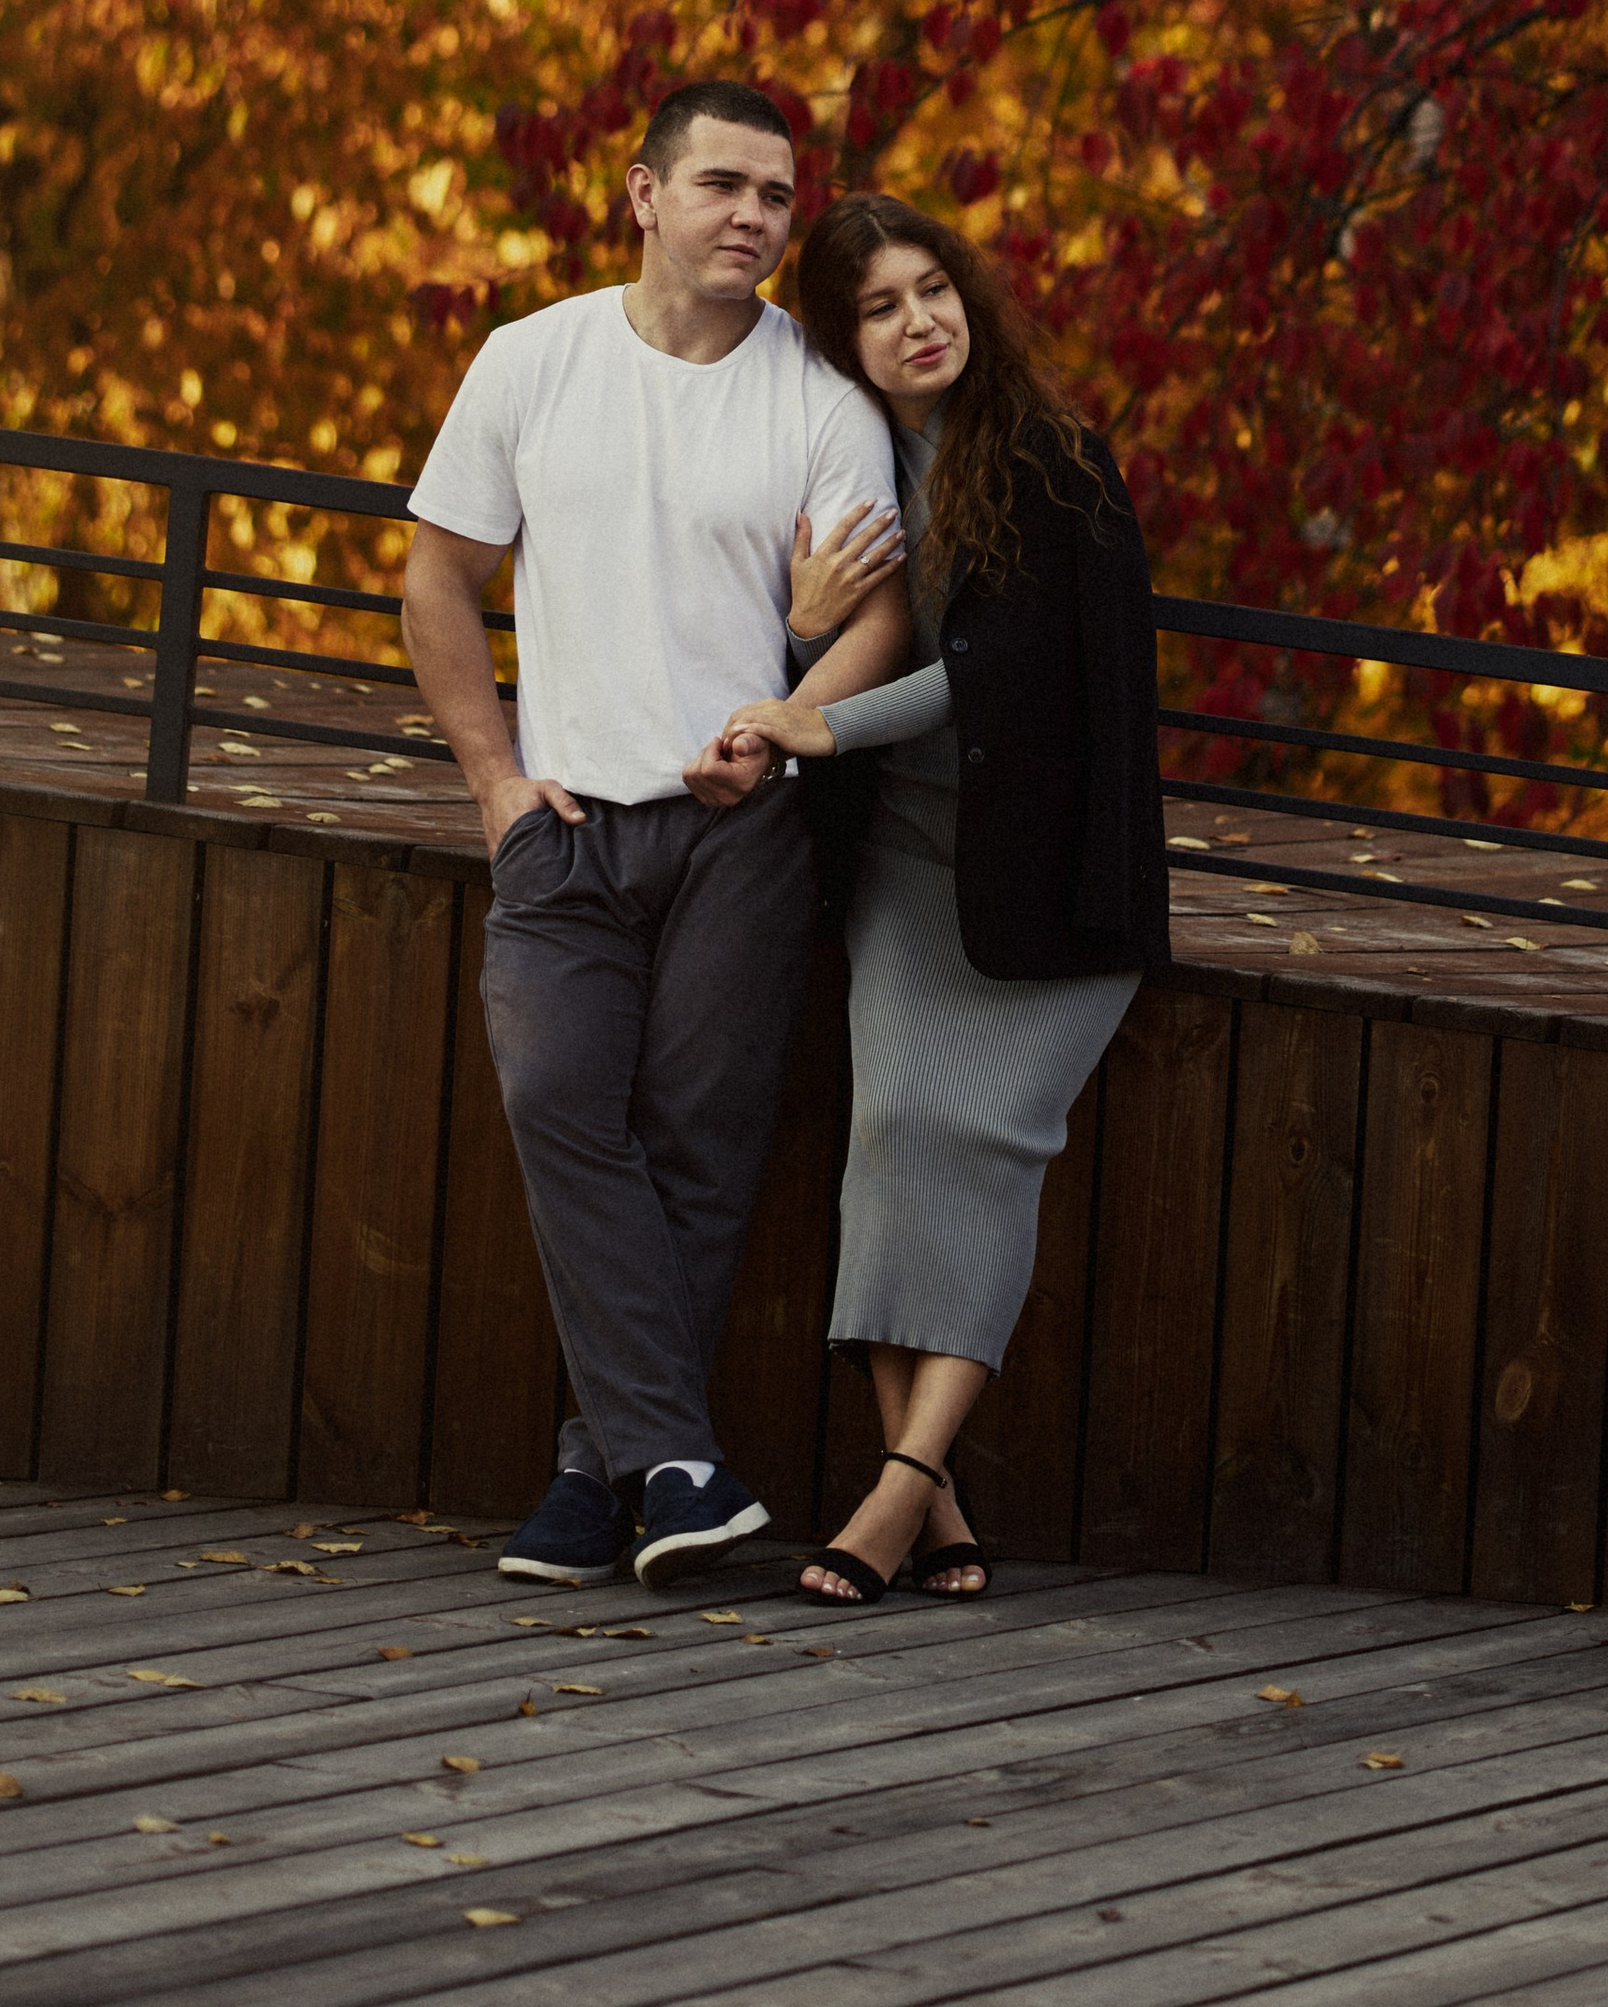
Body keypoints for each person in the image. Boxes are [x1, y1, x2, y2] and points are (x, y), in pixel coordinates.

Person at [400, 82, 909, 1590]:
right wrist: (493, 780)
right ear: (643, 192)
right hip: (560, 822)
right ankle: (671, 1462)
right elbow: (439, 581)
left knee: (698, 1149)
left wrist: (781, 711)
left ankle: (597, 1480)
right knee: (558, 1093)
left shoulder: (821, 397)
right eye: (724, 184)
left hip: (744, 829)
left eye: (776, 193)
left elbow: (876, 615)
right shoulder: (531, 360)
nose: (755, 215)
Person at [688, 192, 1170, 1606]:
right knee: (894, 1132)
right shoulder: (840, 473)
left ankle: (897, 1490)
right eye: (883, 308)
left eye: (934, 288)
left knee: (989, 1137)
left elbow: (1009, 670)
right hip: (906, 871)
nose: (922, 321)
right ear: (844, 346)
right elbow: (770, 637)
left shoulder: (1049, 460)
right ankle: (937, 1490)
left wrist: (814, 724)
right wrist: (797, 628)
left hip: (1054, 880)